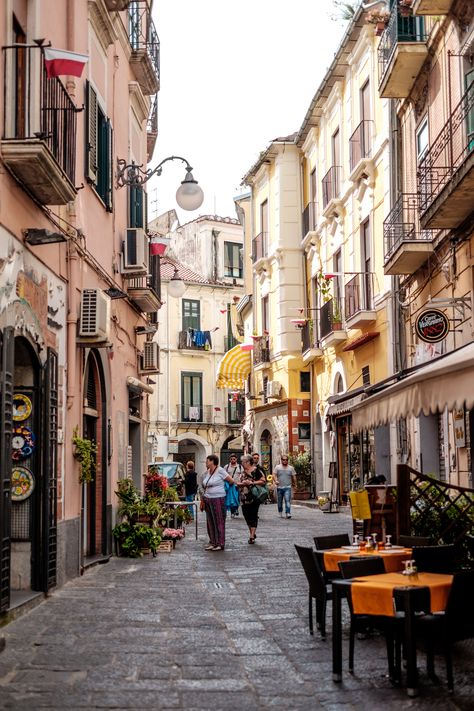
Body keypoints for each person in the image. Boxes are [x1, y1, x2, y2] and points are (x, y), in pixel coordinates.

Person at [201, 454, 234, 551]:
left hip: (218, 498)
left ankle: (220, 543)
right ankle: (213, 542)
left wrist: (223, 488)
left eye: (207, 460)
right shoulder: (207, 472)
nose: (206, 462)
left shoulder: (220, 470)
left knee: (219, 520)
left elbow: (231, 481)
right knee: (210, 521)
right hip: (208, 498)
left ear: (212, 461)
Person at [236, 454, 267, 544]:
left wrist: (251, 482)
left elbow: (263, 481)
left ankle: (252, 536)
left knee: (253, 514)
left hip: (254, 496)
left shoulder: (256, 470)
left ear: (248, 462)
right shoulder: (242, 472)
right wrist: (242, 484)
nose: (241, 463)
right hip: (243, 497)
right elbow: (237, 483)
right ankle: (252, 532)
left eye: (243, 462)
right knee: (246, 515)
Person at [273, 454, 296, 519]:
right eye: (283, 460)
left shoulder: (291, 468)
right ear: (281, 460)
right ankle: (280, 512)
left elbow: (294, 477)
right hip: (279, 487)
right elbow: (274, 475)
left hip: (288, 487)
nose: (285, 461)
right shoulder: (277, 467)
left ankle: (288, 513)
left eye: (286, 460)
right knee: (279, 501)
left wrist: (295, 484)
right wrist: (275, 481)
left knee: (287, 500)